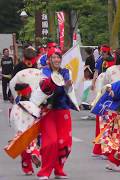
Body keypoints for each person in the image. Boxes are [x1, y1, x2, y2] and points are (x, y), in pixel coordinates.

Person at [37, 47, 77, 180]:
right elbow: (41, 88)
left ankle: (59, 169)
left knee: (65, 142)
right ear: (49, 59)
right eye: (53, 57)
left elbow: (68, 87)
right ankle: (44, 171)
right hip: (48, 110)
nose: (56, 60)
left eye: (58, 57)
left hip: (63, 109)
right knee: (51, 142)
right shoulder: (43, 72)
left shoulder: (66, 72)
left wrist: (68, 84)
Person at [9, 83, 41, 175]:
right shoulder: (32, 105)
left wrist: (17, 129)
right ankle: (35, 153)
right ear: (27, 93)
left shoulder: (16, 106)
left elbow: (12, 119)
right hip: (31, 131)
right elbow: (38, 117)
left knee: (24, 151)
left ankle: (28, 169)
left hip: (20, 132)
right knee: (34, 145)